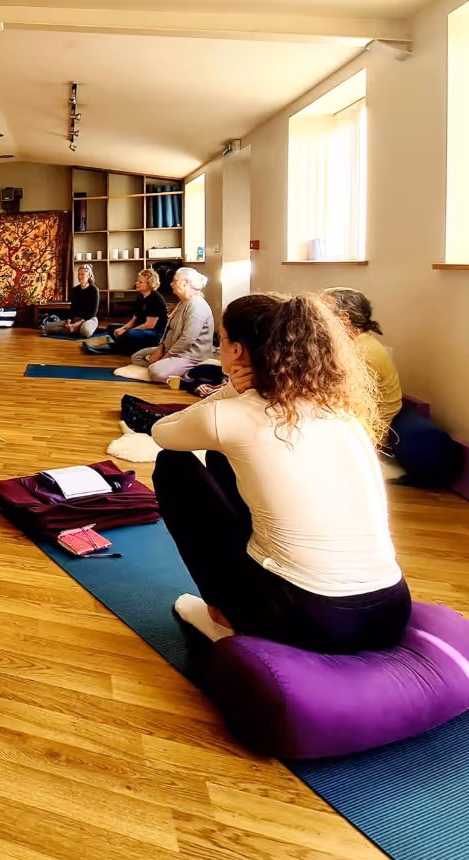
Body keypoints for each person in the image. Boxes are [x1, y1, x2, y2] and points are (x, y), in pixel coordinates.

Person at [150, 293, 410, 654]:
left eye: (221, 340)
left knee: (173, 467)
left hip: (315, 618)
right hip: (392, 610)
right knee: (223, 459)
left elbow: (162, 432)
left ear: (237, 350)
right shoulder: (340, 409)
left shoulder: (230, 416)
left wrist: (228, 393)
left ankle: (224, 614)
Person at [323, 288, 402, 427]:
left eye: (322, 313)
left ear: (344, 319)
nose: (314, 319)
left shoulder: (363, 353)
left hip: (368, 430)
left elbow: (352, 408)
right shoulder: (352, 344)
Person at [131, 267, 213, 381]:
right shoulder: (182, 303)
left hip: (189, 355)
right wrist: (160, 349)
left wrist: (166, 357)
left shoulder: (196, 305)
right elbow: (168, 330)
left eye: (175, 280)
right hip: (171, 349)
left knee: (156, 372)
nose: (171, 284)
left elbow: (187, 339)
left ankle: (188, 371)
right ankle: (172, 367)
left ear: (186, 283)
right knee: (137, 357)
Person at [83, 268, 168, 354]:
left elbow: (150, 325)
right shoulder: (140, 297)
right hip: (141, 328)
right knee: (111, 328)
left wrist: (127, 331)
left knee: (129, 334)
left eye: (140, 282)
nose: (136, 283)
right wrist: (123, 328)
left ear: (150, 284)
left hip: (155, 334)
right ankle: (125, 347)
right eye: (137, 281)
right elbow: (134, 319)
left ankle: (120, 348)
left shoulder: (156, 299)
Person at [42, 264, 100, 338]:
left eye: (82, 274)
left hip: (89, 319)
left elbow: (93, 312)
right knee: (47, 327)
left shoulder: (94, 290)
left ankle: (72, 330)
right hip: (76, 318)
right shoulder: (75, 290)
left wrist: (79, 322)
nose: (80, 276)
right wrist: (69, 321)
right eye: (79, 274)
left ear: (88, 276)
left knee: (85, 331)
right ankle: (72, 329)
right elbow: (73, 308)